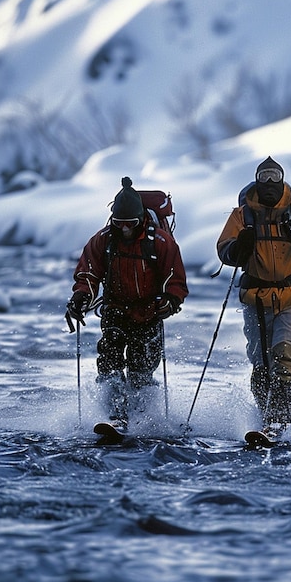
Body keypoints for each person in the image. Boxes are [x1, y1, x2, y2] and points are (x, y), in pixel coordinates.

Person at [217, 156, 291, 438]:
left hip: (290, 296)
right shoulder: (242, 215)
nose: (270, 182)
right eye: (264, 176)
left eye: (275, 176)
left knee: (284, 356)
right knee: (261, 364)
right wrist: (239, 247)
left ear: (282, 180)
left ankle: (277, 423)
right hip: (255, 298)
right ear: (257, 181)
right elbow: (224, 251)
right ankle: (264, 416)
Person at [66, 176, 188, 427]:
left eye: (129, 224)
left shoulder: (161, 242)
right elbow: (89, 271)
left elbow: (175, 278)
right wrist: (81, 295)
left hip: (149, 312)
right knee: (109, 359)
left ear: (140, 220)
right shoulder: (103, 239)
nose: (124, 230)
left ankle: (143, 415)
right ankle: (116, 415)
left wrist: (170, 301)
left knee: (140, 366)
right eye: (119, 224)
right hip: (115, 308)